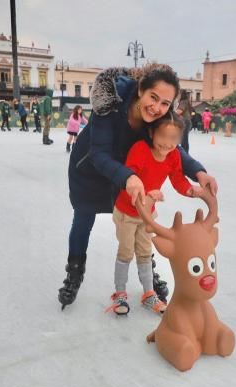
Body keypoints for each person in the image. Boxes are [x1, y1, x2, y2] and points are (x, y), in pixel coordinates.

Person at [59, 64, 218, 310]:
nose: (156, 108)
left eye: (165, 103)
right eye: (153, 97)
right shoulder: (109, 106)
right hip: (90, 170)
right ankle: (74, 273)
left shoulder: (160, 118)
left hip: (129, 174)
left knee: (142, 222)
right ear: (140, 90)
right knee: (83, 219)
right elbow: (99, 154)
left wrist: (198, 172)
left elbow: (172, 149)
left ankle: (148, 273)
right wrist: (128, 177)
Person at [107, 111, 205, 315]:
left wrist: (190, 190)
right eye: (163, 136)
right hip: (127, 210)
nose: (167, 144)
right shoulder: (140, 149)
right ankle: (120, 293)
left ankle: (149, 294)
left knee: (144, 252)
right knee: (126, 252)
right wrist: (145, 191)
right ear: (152, 133)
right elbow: (129, 176)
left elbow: (178, 179)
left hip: (147, 215)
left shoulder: (174, 155)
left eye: (173, 139)